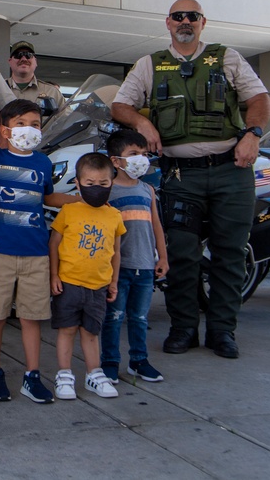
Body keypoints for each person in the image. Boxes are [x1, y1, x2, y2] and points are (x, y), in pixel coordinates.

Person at [111, 0, 270, 360]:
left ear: (203, 22)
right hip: (182, 176)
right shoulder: (149, 64)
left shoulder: (226, 57)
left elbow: (259, 98)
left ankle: (222, 332)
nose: (185, 21)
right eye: (178, 16)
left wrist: (253, 133)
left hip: (232, 171)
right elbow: (120, 105)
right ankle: (183, 328)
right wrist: (142, 121)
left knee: (230, 255)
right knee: (182, 255)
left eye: (192, 16)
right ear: (167, 23)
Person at [0, 99, 74, 405]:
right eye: (21, 124)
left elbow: (48, 197)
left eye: (35, 124)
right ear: (5, 130)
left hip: (36, 251)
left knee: (32, 317)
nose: (29, 130)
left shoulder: (43, 162)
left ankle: (32, 376)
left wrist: (84, 199)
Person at [49, 153, 125, 400]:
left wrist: (113, 281)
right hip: (69, 283)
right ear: (78, 184)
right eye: (90, 184)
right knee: (67, 330)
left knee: (91, 333)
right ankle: (64, 375)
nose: (97, 189)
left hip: (98, 286)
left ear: (111, 182)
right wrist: (54, 276)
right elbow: (54, 244)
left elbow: (116, 251)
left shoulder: (114, 215)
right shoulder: (69, 211)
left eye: (103, 184)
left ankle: (94, 374)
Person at [100, 129, 169, 384]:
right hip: (118, 268)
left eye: (143, 153)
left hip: (145, 266)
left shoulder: (148, 190)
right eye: (133, 154)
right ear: (115, 161)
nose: (141, 159)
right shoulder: (107, 191)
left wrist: (162, 258)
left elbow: (157, 226)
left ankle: (139, 361)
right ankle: (109, 362)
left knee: (140, 318)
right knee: (114, 317)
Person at [5, 41, 66, 123]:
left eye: (28, 55)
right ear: (10, 61)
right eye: (18, 55)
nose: (23, 59)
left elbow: (66, 122)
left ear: (35, 61)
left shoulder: (52, 92)